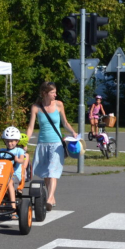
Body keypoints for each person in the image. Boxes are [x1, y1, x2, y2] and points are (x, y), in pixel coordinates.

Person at [25, 81, 79, 211]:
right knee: (46, 173)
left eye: (55, 92)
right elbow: (31, 127)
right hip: (42, 143)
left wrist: (73, 132)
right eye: (53, 92)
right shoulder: (36, 107)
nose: (55, 94)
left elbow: (65, 122)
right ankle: (52, 197)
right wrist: (24, 143)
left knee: (53, 172)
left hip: (56, 145)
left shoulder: (59, 104)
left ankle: (49, 198)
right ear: (45, 93)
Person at [0, 126, 27, 207]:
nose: (9, 143)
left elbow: (22, 160)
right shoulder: (1, 151)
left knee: (9, 182)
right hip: (1, 175)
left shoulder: (19, 150)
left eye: (12, 141)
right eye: (7, 141)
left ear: (17, 141)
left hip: (14, 176)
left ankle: (13, 207)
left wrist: (16, 159)